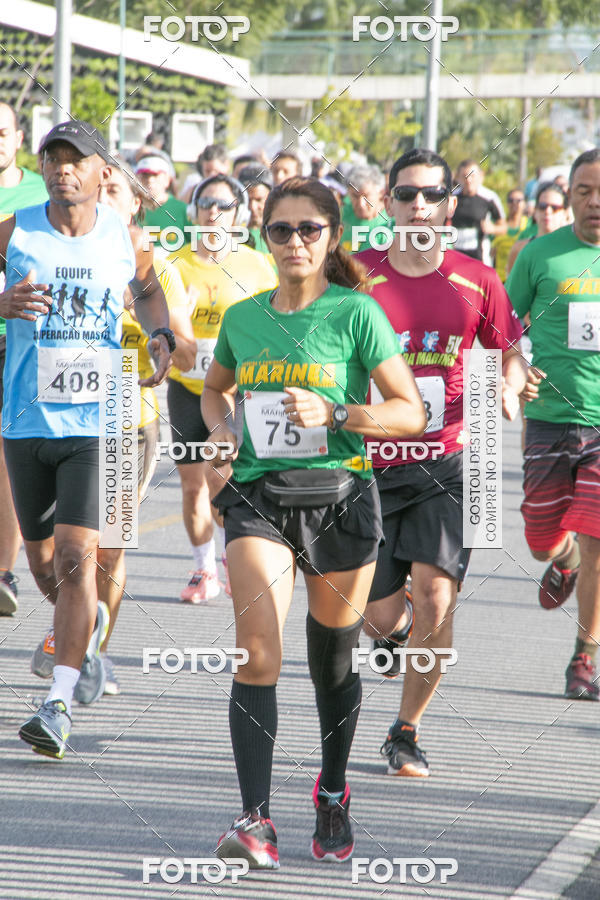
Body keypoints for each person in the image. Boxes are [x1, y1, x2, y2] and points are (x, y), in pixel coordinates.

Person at [202, 175, 426, 868]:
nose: (295, 241)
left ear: (332, 238)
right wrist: (221, 430)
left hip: (340, 496)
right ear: (262, 237)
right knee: (257, 652)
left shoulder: (356, 313)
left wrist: (333, 413)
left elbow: (410, 412)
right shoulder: (242, 317)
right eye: (280, 229)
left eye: (309, 230)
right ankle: (255, 819)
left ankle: (332, 789)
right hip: (258, 496)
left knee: (331, 664)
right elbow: (216, 390)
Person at [1, 120, 173, 759]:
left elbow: (150, 294)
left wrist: (162, 337)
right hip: (24, 422)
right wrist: (2, 302)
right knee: (45, 568)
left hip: (97, 425)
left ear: (105, 171)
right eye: (52, 158)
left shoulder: (126, 238)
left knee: (77, 559)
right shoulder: (16, 230)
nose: (62, 169)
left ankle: (57, 704)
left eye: (75, 159)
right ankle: (89, 621)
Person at [356, 148, 526, 776]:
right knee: (374, 618)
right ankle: (394, 636)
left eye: (431, 195)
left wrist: (508, 386)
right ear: (388, 204)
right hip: (366, 466)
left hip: (450, 463)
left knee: (434, 598)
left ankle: (406, 730)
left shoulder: (477, 280)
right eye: (406, 195)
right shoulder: (357, 274)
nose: (418, 206)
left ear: (451, 205)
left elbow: (506, 350)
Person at [30, 157, 197, 694]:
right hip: (59, 415)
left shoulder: (151, 262)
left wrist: (153, 333)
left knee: (109, 547)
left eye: (114, 191)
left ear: (133, 202)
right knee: (58, 552)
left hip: (129, 419)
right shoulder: (64, 249)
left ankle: (88, 654)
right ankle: (83, 625)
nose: (103, 199)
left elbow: (186, 348)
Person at [506, 148, 600, 702]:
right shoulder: (540, 255)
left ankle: (584, 656)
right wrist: (517, 371)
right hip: (548, 421)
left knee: (597, 542)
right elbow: (499, 332)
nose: (594, 202)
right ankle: (559, 561)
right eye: (584, 191)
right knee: (543, 540)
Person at [167, 174, 277, 603]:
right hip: (187, 387)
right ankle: (203, 569)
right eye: (206, 203)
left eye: (225, 205)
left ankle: (236, 557)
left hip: (233, 391)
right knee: (192, 484)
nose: (215, 211)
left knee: (222, 477)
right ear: (193, 211)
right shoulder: (173, 263)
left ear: (239, 215)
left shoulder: (256, 264)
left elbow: (275, 321)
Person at [0, 103, 49, 614]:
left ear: (17, 139)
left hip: (27, 343)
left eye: (3, 132)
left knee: (6, 457)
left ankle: (3, 572)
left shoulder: (42, 193)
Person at [506, 182, 569, 277]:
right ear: (535, 211)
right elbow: (511, 289)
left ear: (565, 213)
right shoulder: (520, 249)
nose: (548, 211)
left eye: (554, 208)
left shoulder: (571, 249)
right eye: (543, 206)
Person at [452, 160, 507, 265]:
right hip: (456, 258)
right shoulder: (452, 198)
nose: (468, 180)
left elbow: (504, 228)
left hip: (480, 259)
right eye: (464, 176)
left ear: (480, 176)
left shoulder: (489, 197)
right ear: (458, 178)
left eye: (472, 176)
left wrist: (493, 229)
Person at [135, 154, 190, 248]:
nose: (150, 180)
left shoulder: (183, 210)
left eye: (155, 175)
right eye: (145, 175)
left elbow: (196, 246)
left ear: (167, 180)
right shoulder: (131, 208)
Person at [341, 164, 390, 253]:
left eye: (366, 196)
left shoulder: (390, 224)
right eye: (355, 196)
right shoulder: (341, 214)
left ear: (381, 193)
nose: (361, 204)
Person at [491, 188, 528, 281]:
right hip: (501, 280)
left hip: (523, 278)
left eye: (519, 200)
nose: (514, 203)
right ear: (507, 203)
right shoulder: (497, 226)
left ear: (524, 204)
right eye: (511, 200)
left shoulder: (530, 225)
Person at [237, 163, 273, 254]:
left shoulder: (282, 233)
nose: (252, 207)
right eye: (248, 200)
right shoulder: (230, 235)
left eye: (259, 200)